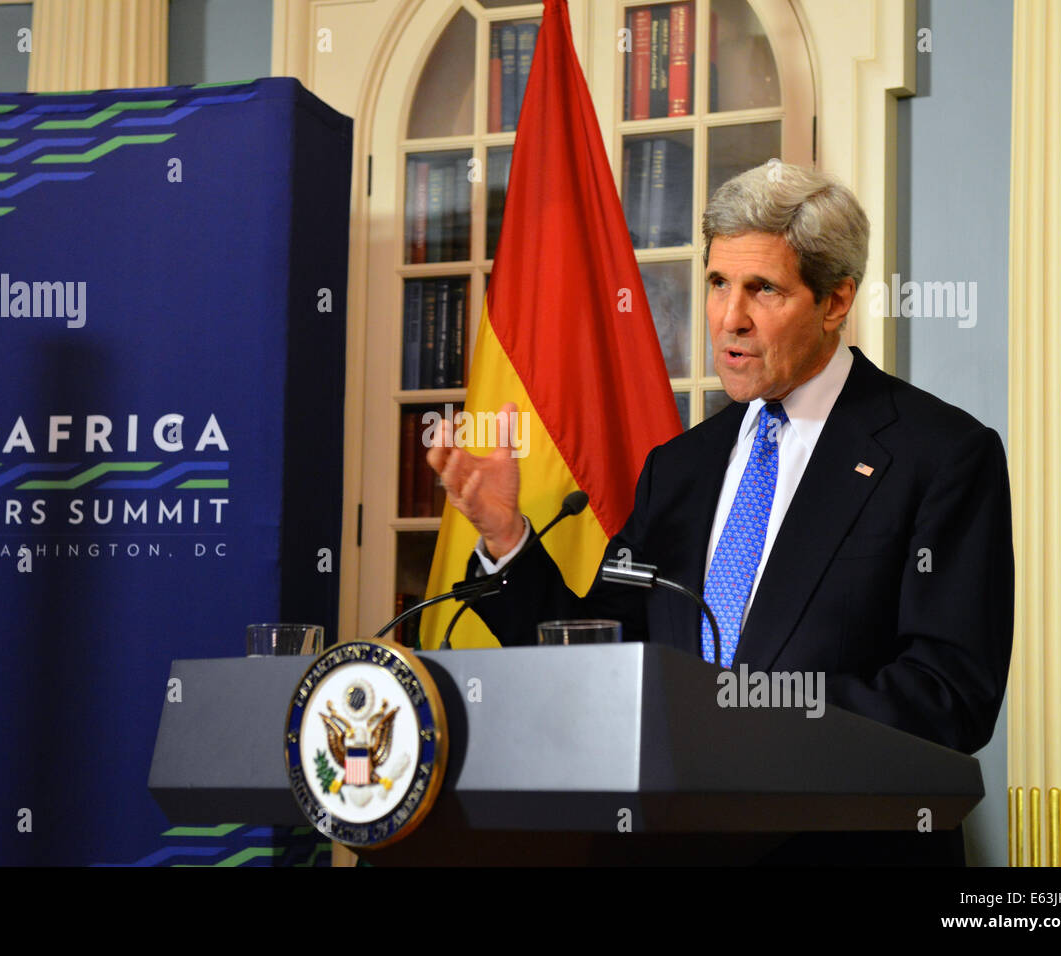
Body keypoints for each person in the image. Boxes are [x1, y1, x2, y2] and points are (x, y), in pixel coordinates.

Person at [425, 161, 1014, 865]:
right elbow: (599, 659)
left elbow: (949, 698)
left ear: (835, 302)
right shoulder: (678, 468)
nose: (730, 318)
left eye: (763, 289)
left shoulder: (940, 455)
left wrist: (742, 715)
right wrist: (505, 535)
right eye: (717, 283)